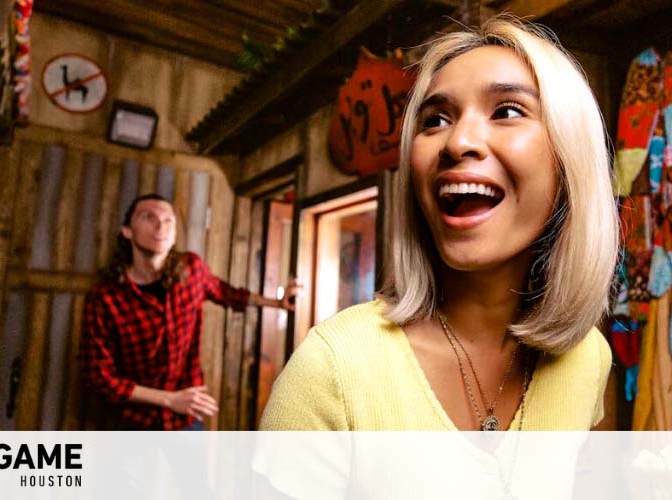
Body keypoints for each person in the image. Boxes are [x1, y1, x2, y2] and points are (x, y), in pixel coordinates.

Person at [260, 17, 617, 431]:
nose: (457, 142)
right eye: (435, 120)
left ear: (570, 161)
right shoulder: (332, 367)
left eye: (506, 111)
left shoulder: (588, 357)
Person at [81, 193, 298, 430]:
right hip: (135, 418)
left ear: (174, 234)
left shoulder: (191, 270)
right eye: (148, 217)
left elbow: (227, 293)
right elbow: (99, 375)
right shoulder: (105, 296)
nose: (160, 226)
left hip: (186, 414)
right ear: (127, 231)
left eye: (168, 221)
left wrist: (277, 303)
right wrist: (170, 400)